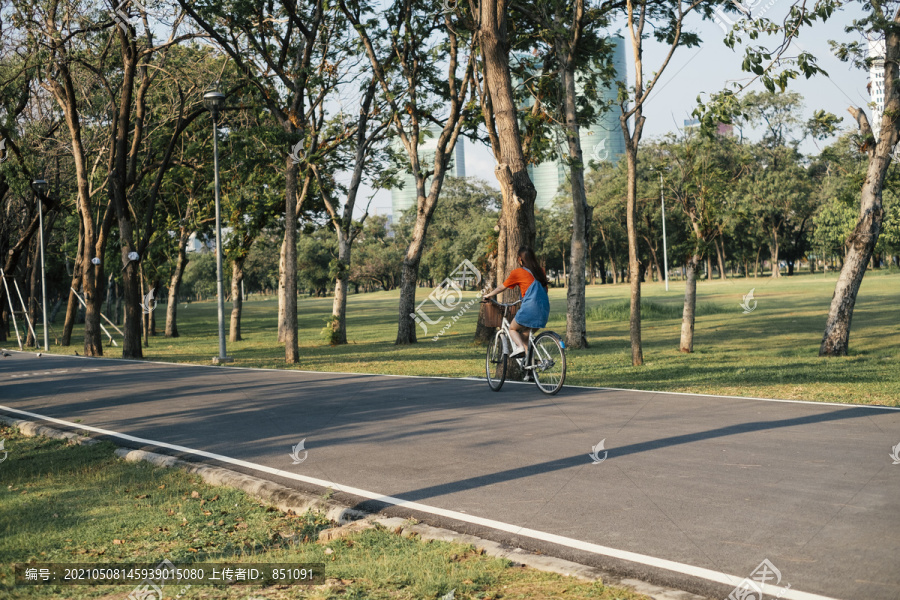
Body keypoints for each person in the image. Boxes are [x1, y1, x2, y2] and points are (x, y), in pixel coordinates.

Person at [482, 247, 550, 357]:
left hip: (529, 309)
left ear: (520, 259)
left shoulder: (518, 272)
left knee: (512, 329)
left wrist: (489, 295)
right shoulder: (541, 271)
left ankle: (520, 348)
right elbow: (545, 290)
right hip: (544, 310)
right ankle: (530, 366)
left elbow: (502, 287)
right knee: (525, 335)